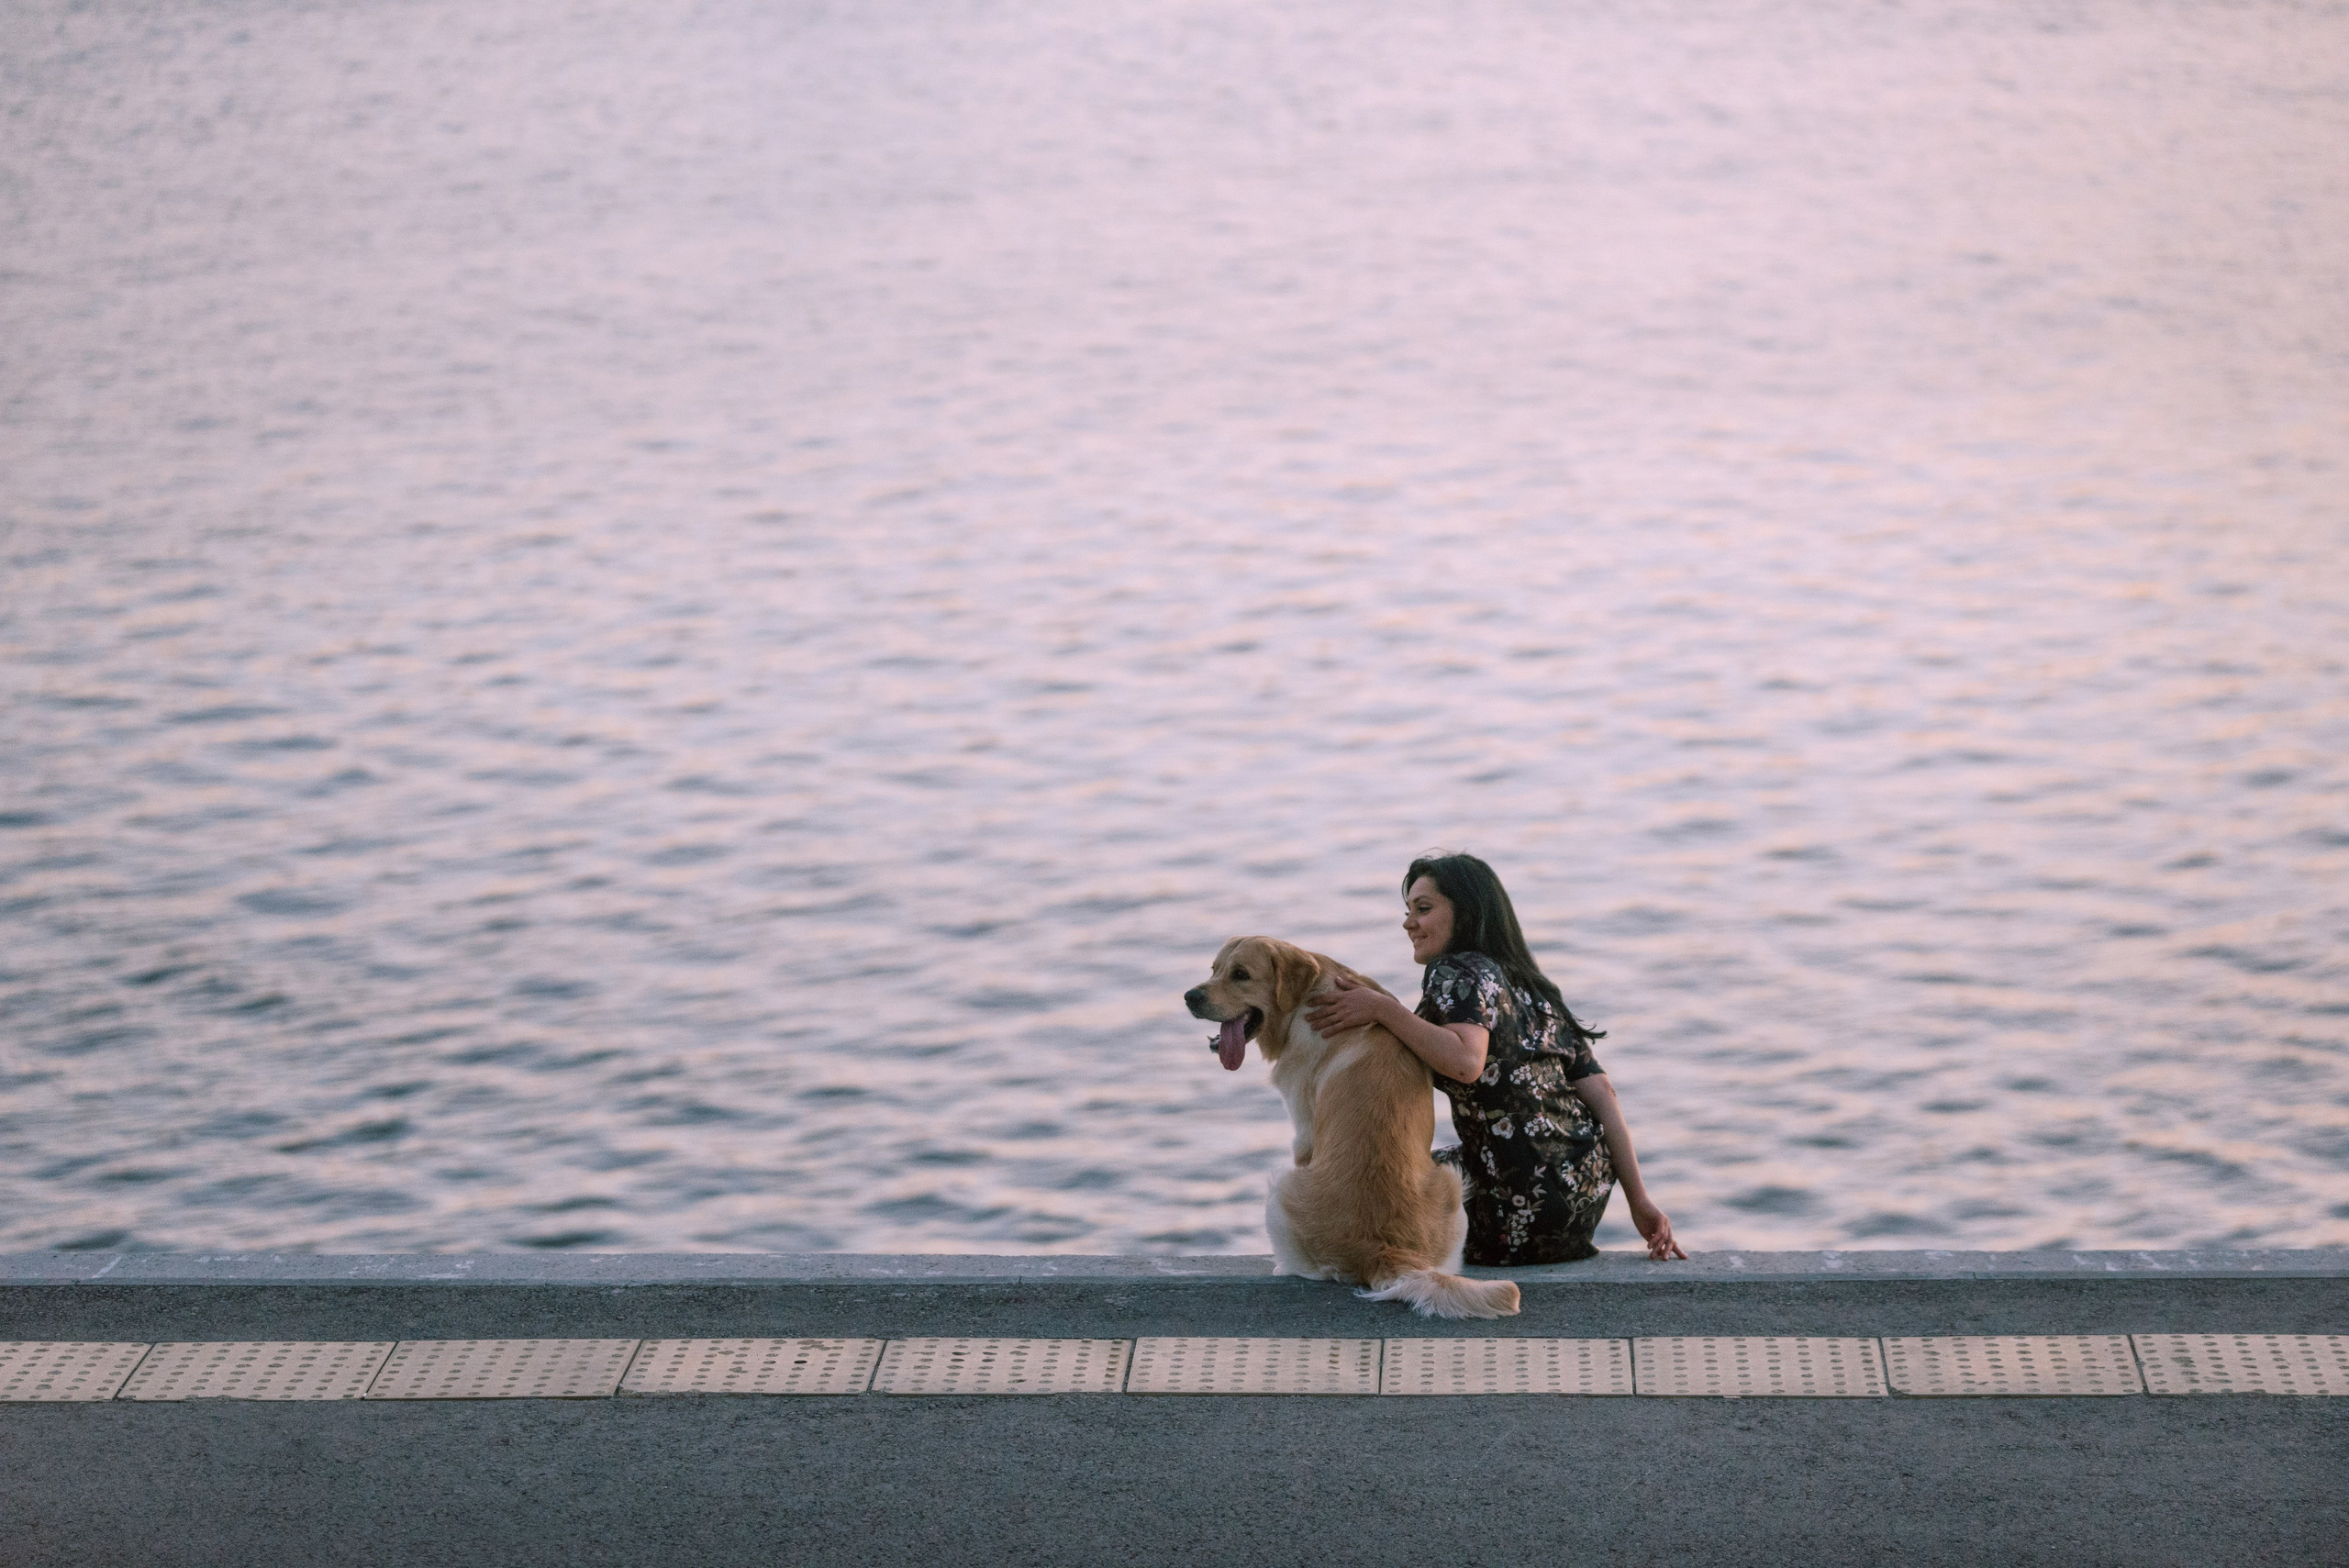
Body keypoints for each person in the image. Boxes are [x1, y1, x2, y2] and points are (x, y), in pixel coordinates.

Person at [1303, 851, 1685, 1265]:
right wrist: (1640, 1202)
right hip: (1580, 1199)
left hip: (1515, 1207)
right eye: (1408, 911)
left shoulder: (1456, 970)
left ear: (1466, 913)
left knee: (1381, 1187)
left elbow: (1466, 1062)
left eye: (1423, 909)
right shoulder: (1533, 988)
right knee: (1418, 1167)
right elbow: (1604, 1094)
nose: (1408, 923)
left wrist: (1383, 1010)